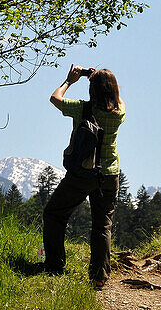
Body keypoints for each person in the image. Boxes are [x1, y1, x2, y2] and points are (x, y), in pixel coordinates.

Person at [40, 65, 125, 289]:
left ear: (92, 90)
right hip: (109, 175)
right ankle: (99, 276)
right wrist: (101, 78)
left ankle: (55, 265)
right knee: (102, 226)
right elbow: (118, 99)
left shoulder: (81, 109)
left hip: (82, 174)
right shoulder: (119, 112)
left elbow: (54, 98)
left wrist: (70, 81)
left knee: (54, 214)